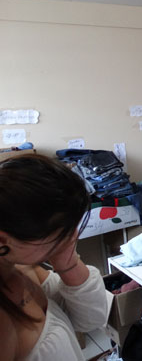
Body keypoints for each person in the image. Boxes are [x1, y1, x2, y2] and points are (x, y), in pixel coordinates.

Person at [0, 154, 108, 361]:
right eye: (59, 233)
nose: (72, 237)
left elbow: (90, 319)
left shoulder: (20, 267)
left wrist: (67, 260)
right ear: (3, 241)